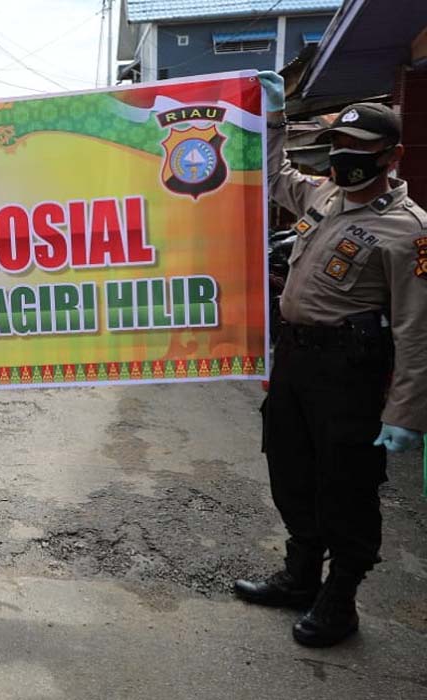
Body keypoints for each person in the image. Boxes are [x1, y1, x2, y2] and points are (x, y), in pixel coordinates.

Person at [234, 72, 427, 648]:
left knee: (346, 489)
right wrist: (271, 120)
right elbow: (271, 177)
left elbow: (419, 329)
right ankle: (299, 576)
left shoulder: (411, 232)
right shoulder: (325, 195)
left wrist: (407, 413)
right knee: (290, 471)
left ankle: (340, 600)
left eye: (359, 152)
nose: (344, 161)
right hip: (296, 362)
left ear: (391, 156)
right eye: (338, 149)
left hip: (350, 373)